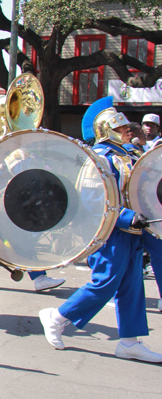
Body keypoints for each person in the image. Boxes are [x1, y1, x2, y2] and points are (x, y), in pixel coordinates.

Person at [38, 98, 162, 362]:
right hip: (111, 231)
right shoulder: (102, 158)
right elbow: (95, 200)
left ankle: (129, 341)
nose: (129, 130)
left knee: (132, 285)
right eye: (122, 127)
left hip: (132, 231)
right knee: (105, 283)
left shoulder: (127, 154)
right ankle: (58, 316)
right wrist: (128, 217)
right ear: (107, 129)